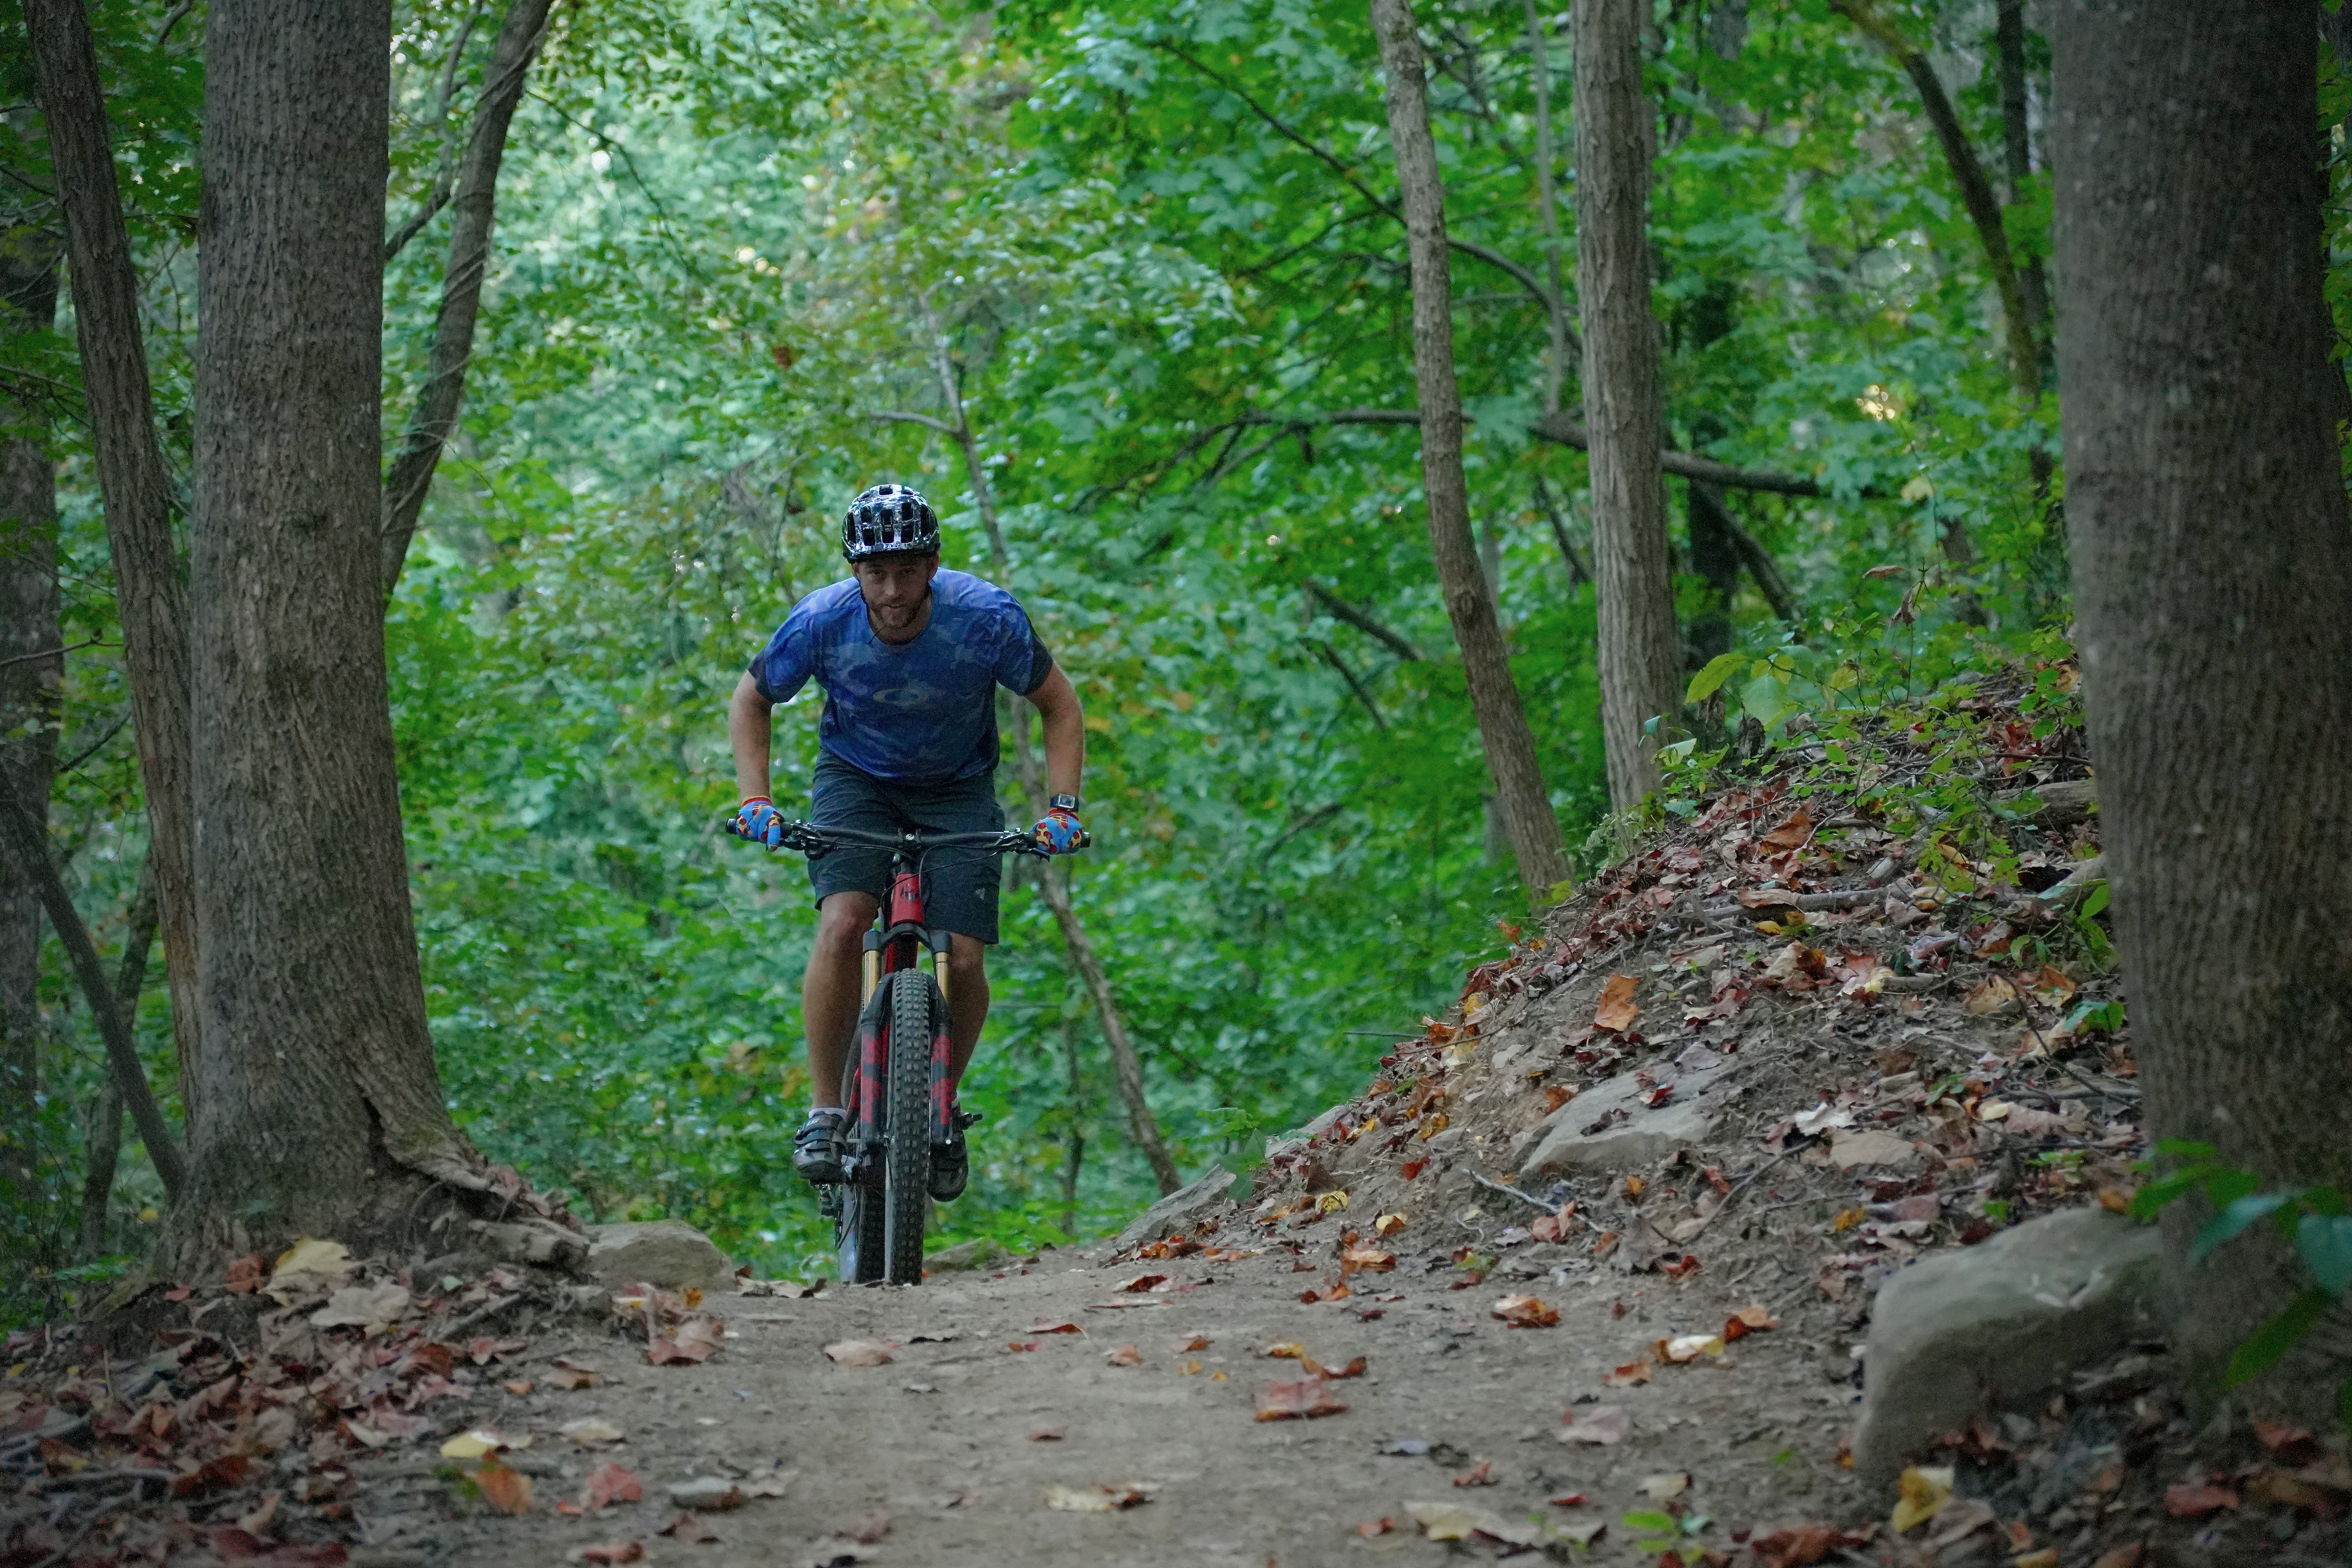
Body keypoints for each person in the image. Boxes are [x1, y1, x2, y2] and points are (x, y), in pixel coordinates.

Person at [724, 483, 1088, 1202]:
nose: (892, 590)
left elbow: (1059, 704)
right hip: (855, 780)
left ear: (933, 565)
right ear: (854, 570)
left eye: (908, 570)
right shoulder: (822, 621)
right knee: (844, 920)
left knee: (967, 952)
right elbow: (752, 700)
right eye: (875, 572)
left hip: (956, 788)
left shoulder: (985, 618)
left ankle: (939, 1105)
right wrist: (756, 799)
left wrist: (1063, 808)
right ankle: (826, 1112)